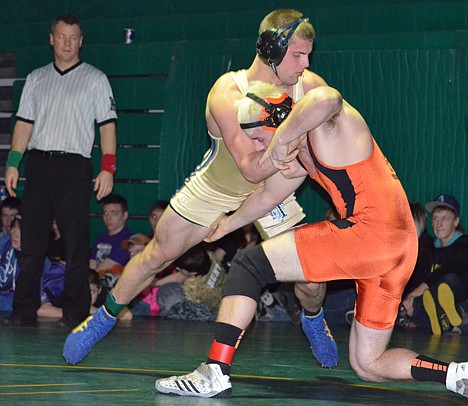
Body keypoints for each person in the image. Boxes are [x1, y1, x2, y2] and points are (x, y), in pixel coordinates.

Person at [154, 82, 468, 399]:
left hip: (372, 231)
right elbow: (267, 196)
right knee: (368, 364)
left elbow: (327, 97)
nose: (259, 148)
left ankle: (214, 372)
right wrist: (225, 226)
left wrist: (281, 141)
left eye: (259, 137)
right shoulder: (299, 157)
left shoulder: (330, 127)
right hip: (397, 249)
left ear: (275, 119)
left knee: (250, 265)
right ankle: (456, 375)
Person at [63, 9, 338, 368]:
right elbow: (247, 168)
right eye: (298, 55)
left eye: (308, 55)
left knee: (311, 276)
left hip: (275, 190)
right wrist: (284, 154)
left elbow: (329, 146)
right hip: (220, 184)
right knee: (158, 253)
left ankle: (314, 320)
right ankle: (102, 318)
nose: (305, 64)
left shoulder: (311, 88)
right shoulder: (227, 92)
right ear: (271, 49)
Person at [3, 14, 117, 328]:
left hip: (75, 166)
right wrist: (13, 162)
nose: (66, 43)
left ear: (81, 41)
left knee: (75, 242)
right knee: (31, 243)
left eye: (73, 37)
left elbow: (107, 127)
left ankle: (76, 312)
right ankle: (23, 310)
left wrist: (108, 168)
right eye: (61, 36)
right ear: (52, 39)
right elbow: (24, 124)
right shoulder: (36, 78)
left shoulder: (95, 79)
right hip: (39, 164)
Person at [401, 195, 468, 335]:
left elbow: (445, 270)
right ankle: (449, 322)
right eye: (436, 218)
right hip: (433, 299)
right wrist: (409, 300)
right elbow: (416, 278)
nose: (439, 224)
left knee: (447, 280)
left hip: (462, 298)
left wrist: (414, 293)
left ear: (456, 222)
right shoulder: (428, 247)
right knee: (422, 301)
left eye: (445, 218)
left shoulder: (464, 244)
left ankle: (458, 314)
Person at [38, 269, 132, 321]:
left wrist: (94, 311)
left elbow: (127, 315)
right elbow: (41, 310)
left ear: (99, 290)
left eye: (92, 292)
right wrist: (76, 312)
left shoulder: (105, 295)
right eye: (84, 292)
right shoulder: (70, 294)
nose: (88, 297)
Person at [89, 194, 133, 281]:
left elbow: (102, 269)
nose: (108, 218)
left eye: (114, 213)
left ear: (125, 215)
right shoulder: (100, 238)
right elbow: (92, 266)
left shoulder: (127, 240)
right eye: (105, 213)